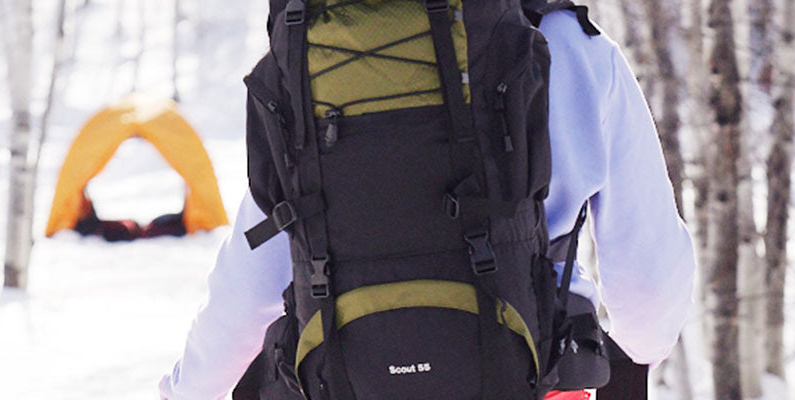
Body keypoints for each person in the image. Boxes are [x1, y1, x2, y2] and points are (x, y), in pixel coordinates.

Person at [158, 4, 696, 399]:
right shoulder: (572, 47)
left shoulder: (311, 53)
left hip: (348, 376)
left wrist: (183, 391)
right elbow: (649, 290)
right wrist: (633, 356)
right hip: (528, 372)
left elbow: (249, 289)